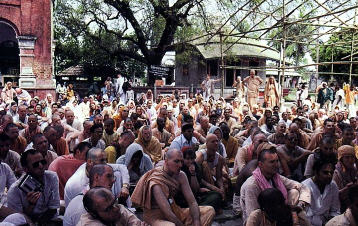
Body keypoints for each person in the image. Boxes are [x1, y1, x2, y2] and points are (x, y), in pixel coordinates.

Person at [131, 148, 215, 226]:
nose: (180, 165)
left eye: (181, 161)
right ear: (166, 161)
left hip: (176, 212)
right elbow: (167, 213)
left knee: (209, 211)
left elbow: (192, 202)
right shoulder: (156, 181)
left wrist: (197, 221)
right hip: (156, 218)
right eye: (176, 161)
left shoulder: (181, 175)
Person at [240, 148, 311, 221]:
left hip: (278, 215)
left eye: (277, 161)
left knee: (294, 192)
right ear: (261, 164)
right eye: (272, 162)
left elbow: (302, 187)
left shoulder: (275, 176)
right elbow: (253, 215)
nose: (276, 165)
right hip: (262, 220)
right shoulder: (252, 185)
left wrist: (301, 204)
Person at [7, 149, 60, 224]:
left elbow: (53, 207)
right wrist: (31, 206)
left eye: (43, 162)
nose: (41, 166)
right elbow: (18, 220)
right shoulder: (15, 190)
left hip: (48, 220)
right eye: (36, 165)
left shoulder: (52, 177)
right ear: (26, 169)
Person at [302, 154, 340, 226]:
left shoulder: (333, 185)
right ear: (316, 172)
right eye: (325, 172)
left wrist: (331, 222)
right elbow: (305, 216)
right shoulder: (305, 187)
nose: (329, 176)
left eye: (331, 173)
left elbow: (335, 210)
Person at [78, 187, 147, 226]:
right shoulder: (89, 223)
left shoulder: (119, 210)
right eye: (108, 209)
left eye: (114, 202)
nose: (116, 209)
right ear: (94, 214)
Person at [196, 134, 226, 201]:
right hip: (199, 180)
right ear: (207, 144)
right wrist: (213, 187)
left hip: (210, 178)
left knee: (225, 182)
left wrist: (221, 188)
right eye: (213, 142)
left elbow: (219, 177)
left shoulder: (219, 158)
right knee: (205, 164)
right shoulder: (201, 156)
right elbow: (196, 175)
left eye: (217, 141)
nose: (216, 143)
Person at [333, 145, 358, 212]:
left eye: (352, 157)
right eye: (347, 157)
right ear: (341, 159)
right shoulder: (336, 173)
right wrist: (346, 188)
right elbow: (333, 194)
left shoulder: (354, 170)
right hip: (339, 205)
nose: (350, 160)